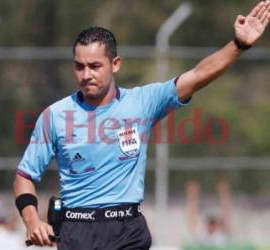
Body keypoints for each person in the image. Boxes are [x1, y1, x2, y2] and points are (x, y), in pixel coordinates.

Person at [14, 2, 270, 249]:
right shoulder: (55, 116)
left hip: (128, 229)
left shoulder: (143, 102)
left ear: (115, 64)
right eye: (79, 67)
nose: (86, 74)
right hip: (77, 231)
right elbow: (25, 176)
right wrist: (32, 220)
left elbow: (197, 75)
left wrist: (238, 45)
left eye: (94, 66)